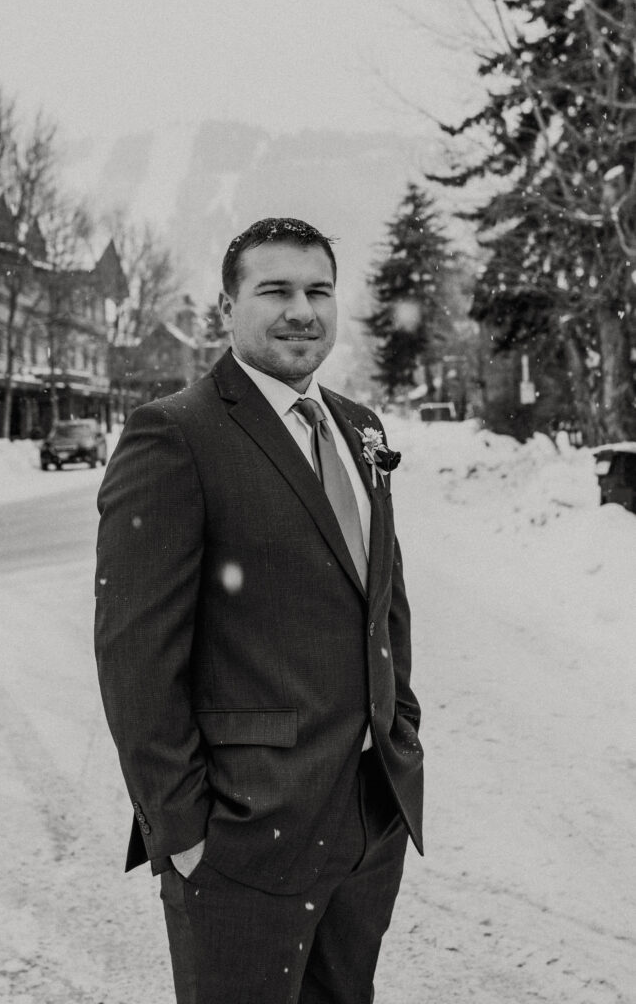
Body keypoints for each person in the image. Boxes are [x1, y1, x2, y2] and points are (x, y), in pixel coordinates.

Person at [95, 217, 424, 1004]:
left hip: (368, 820)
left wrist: (399, 735)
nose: (300, 310)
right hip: (243, 835)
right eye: (274, 290)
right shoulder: (174, 435)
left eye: (317, 291)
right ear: (226, 308)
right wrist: (182, 831)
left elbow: (383, 604)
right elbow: (136, 656)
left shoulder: (358, 428)